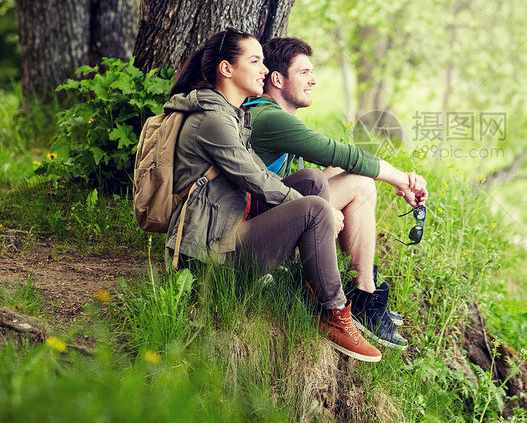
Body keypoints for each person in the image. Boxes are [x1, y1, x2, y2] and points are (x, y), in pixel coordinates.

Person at [163, 27, 381, 362]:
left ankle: (312, 284)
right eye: (255, 61)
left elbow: (264, 175)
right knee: (314, 208)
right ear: (227, 69)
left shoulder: (232, 115)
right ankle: (336, 313)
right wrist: (322, 212)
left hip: (227, 232)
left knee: (311, 181)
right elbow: (257, 180)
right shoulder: (213, 120)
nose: (264, 70)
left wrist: (313, 202)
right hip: (209, 260)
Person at [246, 36, 429, 349]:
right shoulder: (270, 118)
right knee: (360, 182)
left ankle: (360, 290)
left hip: (262, 216)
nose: (313, 79)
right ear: (278, 79)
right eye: (304, 72)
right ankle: (364, 295)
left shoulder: (265, 113)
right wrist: (401, 180)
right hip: (252, 235)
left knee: (338, 176)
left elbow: (336, 163)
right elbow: (340, 152)